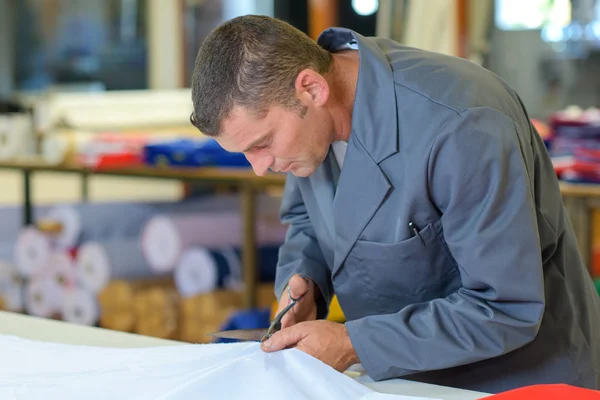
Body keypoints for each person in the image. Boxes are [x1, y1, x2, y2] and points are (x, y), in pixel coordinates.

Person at [189, 15, 600, 394]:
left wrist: (353, 342)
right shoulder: (311, 125)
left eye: (262, 144)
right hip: (408, 377)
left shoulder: (463, 125)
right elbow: (309, 221)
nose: (259, 169)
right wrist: (306, 281)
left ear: (311, 88)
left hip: (521, 380)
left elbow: (505, 306)